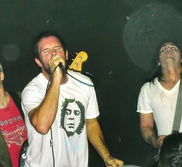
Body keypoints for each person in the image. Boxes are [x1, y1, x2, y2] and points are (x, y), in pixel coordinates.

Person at [21, 30, 124, 167]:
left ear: (66, 54)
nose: (53, 54)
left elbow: (91, 124)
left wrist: (106, 156)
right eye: (46, 51)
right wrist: (56, 77)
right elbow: (42, 126)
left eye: (57, 49)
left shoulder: (85, 83)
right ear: (38, 62)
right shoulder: (32, 90)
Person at [137, 42, 182, 149]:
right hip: (170, 154)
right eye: (163, 49)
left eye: (173, 48)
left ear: (181, 58)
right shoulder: (148, 88)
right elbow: (146, 126)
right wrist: (155, 142)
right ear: (158, 61)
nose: (168, 50)